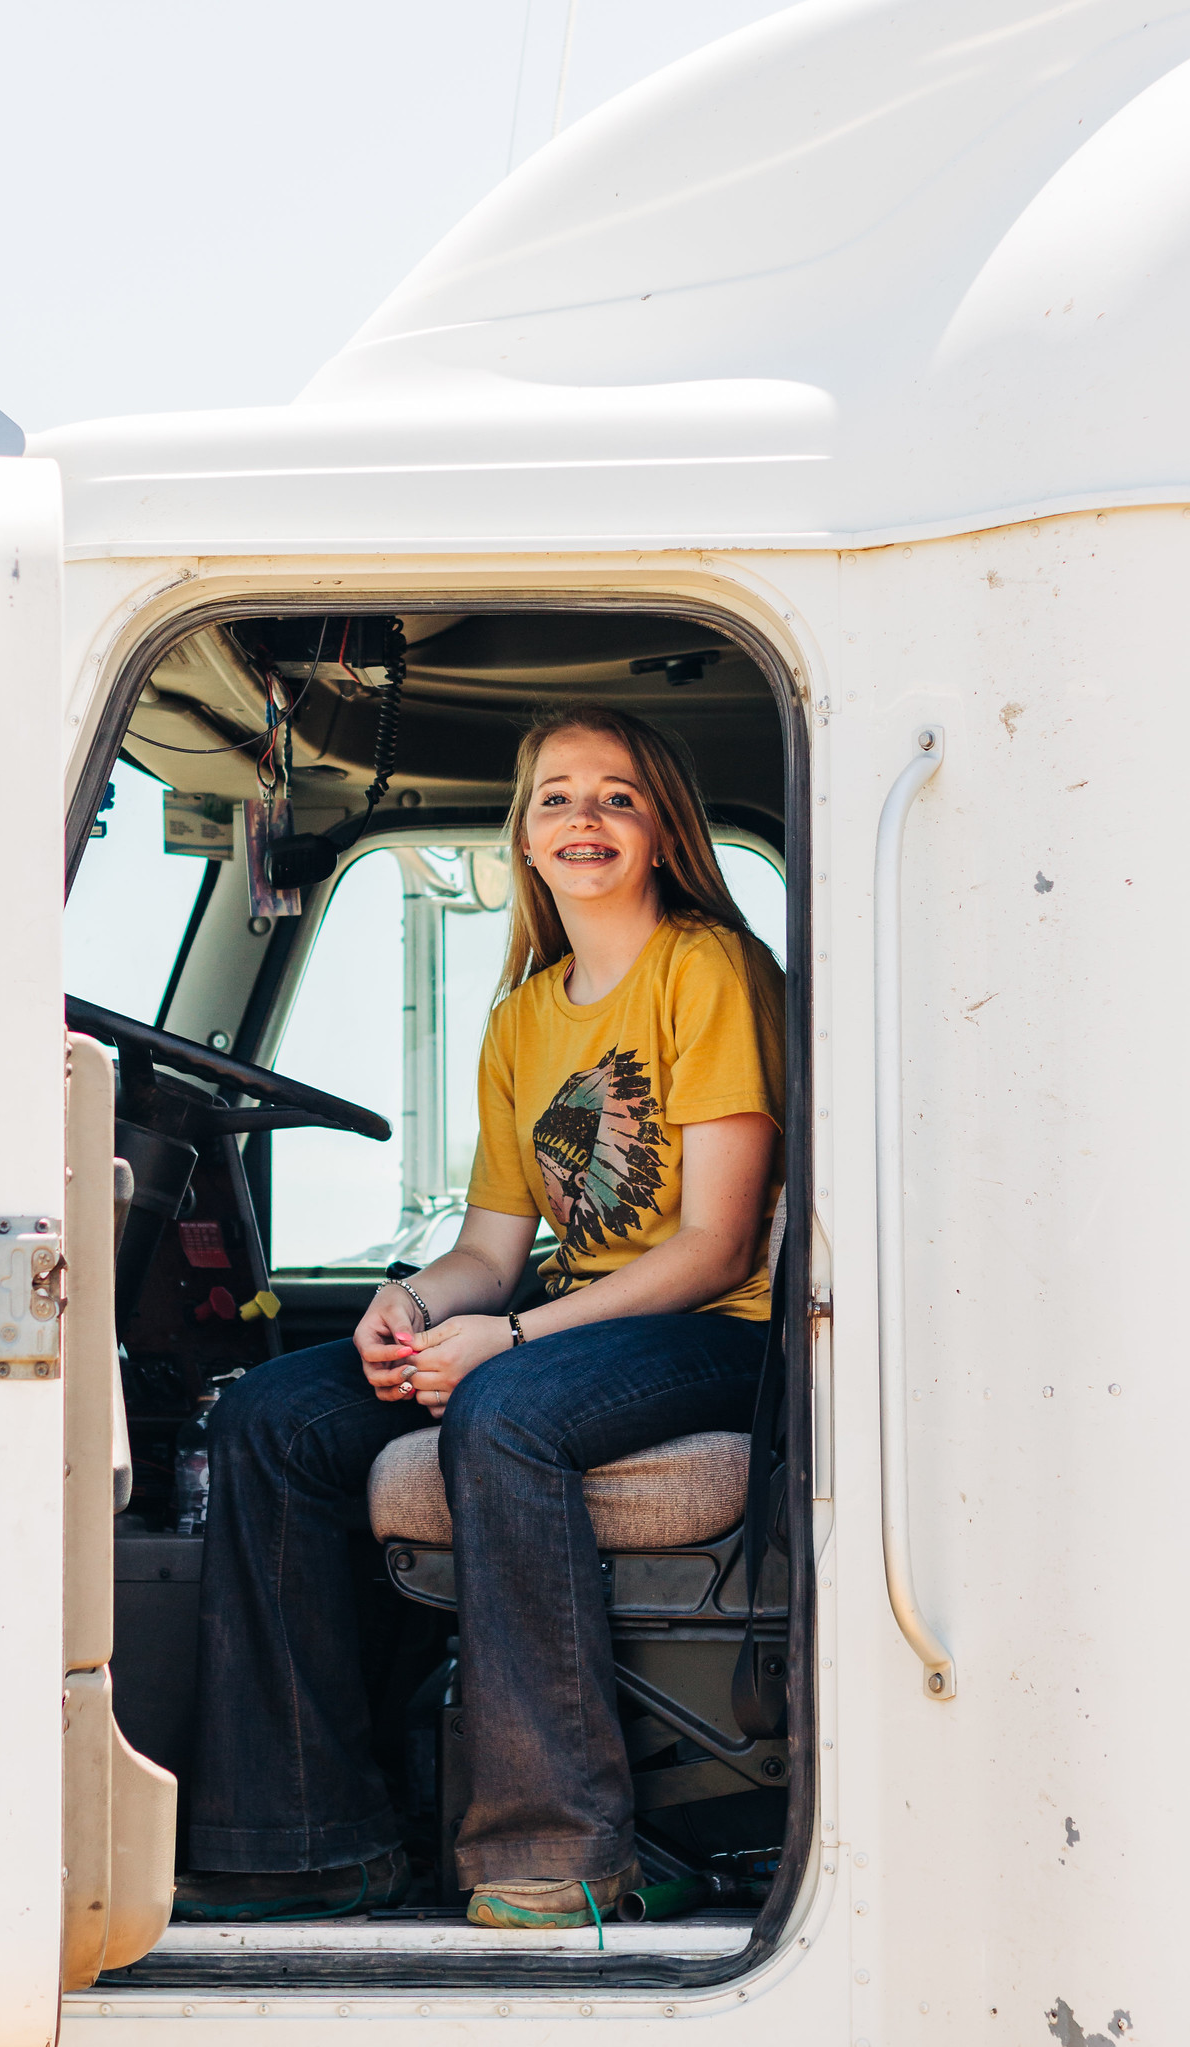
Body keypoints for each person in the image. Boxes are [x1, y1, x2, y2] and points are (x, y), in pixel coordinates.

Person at [175, 702, 785, 1928]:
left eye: (617, 794)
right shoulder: (521, 1020)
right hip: (579, 1321)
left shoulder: (704, 969)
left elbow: (715, 1245)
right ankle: (309, 1836)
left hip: (727, 1331)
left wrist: (505, 1344)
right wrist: (410, 1307)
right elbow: (494, 1249)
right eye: (557, 795)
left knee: (501, 1412)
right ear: (523, 834)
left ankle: (563, 1850)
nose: (585, 817)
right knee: (272, 1412)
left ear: (662, 828)